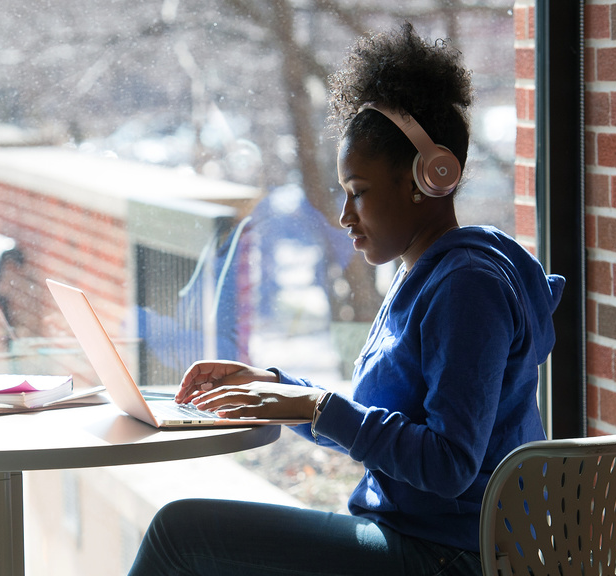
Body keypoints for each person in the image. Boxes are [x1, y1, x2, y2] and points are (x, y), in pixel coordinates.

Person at [127, 22, 565, 576]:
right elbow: (375, 423)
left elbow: (451, 463)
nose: (344, 215)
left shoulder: (467, 287)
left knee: (180, 533)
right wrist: (278, 388)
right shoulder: (428, 274)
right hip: (420, 540)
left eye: (358, 192)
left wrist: (316, 408)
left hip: (451, 556)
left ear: (426, 178)